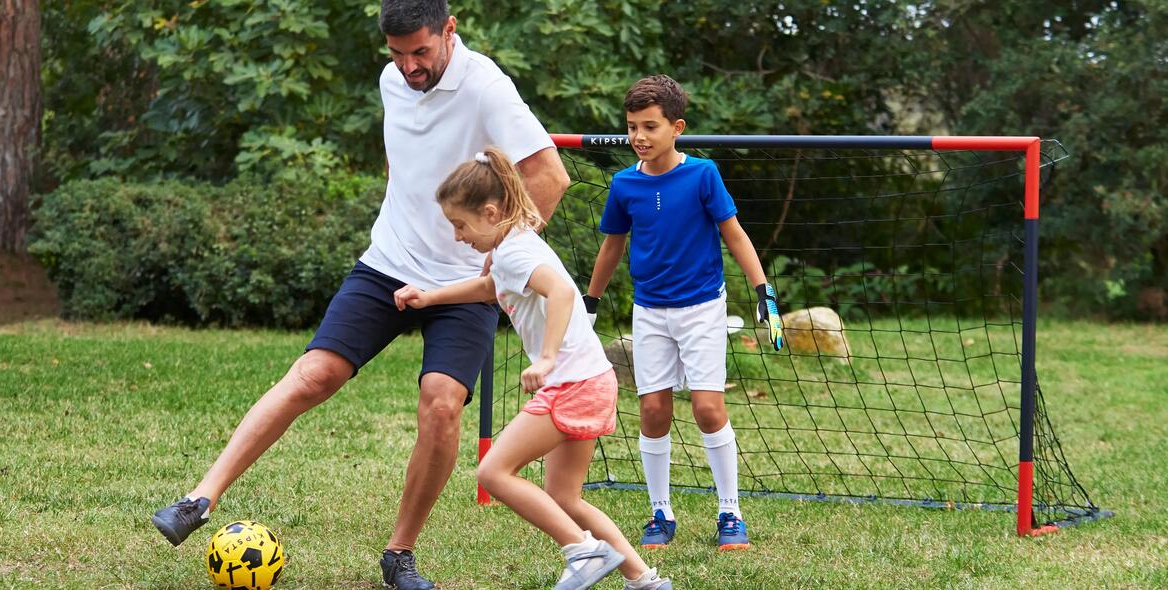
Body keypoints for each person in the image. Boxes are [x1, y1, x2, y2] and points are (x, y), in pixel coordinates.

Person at [150, 2, 569, 588]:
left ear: (450, 30)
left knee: (443, 404)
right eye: (396, 54)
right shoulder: (391, 79)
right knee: (312, 375)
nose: (408, 66)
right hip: (388, 263)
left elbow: (550, 175)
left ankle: (399, 554)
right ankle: (198, 499)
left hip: (463, 281)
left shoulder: (487, 87)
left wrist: (503, 258)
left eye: (420, 51)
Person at [396, 147, 672, 590]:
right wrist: (429, 297)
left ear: (490, 212)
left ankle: (582, 553)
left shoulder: (514, 253)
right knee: (565, 498)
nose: (457, 236)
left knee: (492, 473)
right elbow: (491, 287)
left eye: (460, 225)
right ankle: (645, 581)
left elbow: (562, 292)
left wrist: (545, 358)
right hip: (593, 379)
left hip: (571, 383)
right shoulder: (513, 244)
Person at [583, 74, 784, 551]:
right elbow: (612, 247)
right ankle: (660, 511)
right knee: (653, 410)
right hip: (649, 311)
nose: (639, 137)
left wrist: (763, 290)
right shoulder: (624, 183)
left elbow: (734, 233)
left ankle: (730, 512)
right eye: (632, 126)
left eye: (650, 126)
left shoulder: (702, 174)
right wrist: (589, 303)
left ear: (677, 127)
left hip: (701, 309)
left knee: (708, 407)